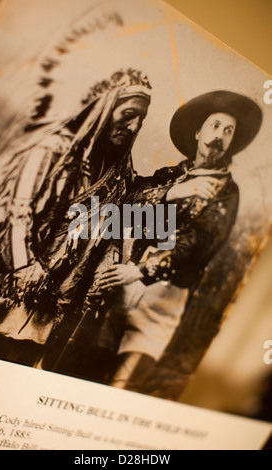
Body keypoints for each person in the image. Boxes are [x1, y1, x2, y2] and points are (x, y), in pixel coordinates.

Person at [0, 69, 152, 368]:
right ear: (104, 107)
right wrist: (24, 266)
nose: (133, 126)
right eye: (128, 114)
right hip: (8, 278)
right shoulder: (52, 148)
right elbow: (19, 212)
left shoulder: (119, 168)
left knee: (16, 369)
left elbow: (122, 213)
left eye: (140, 120)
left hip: (54, 296)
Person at [94, 90, 262, 388]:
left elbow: (199, 244)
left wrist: (141, 271)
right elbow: (126, 202)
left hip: (164, 296)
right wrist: (173, 192)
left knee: (124, 384)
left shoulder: (225, 192)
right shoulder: (169, 176)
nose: (219, 136)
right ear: (198, 132)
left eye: (228, 131)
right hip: (118, 287)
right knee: (86, 369)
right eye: (215, 126)